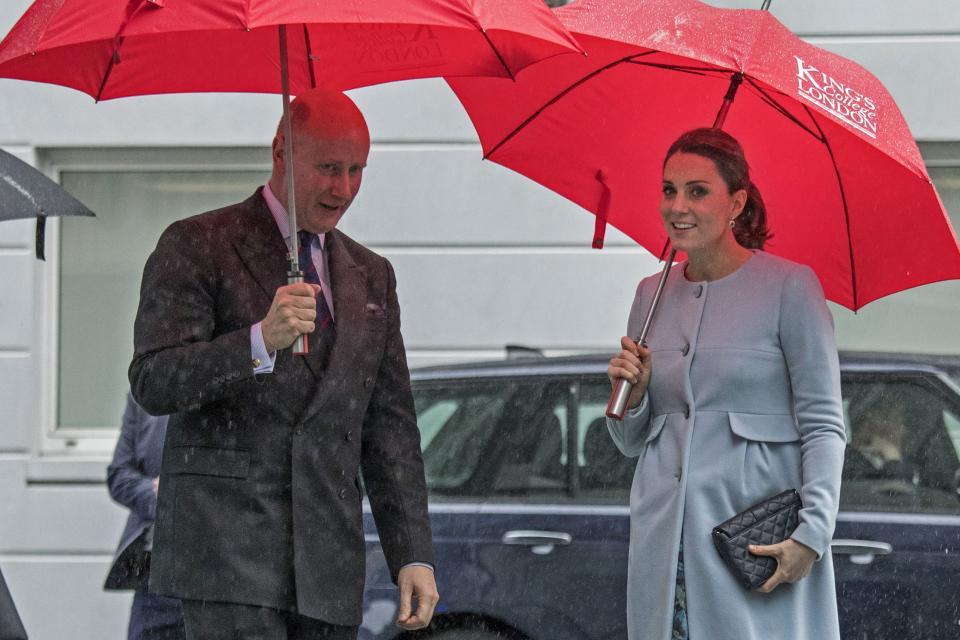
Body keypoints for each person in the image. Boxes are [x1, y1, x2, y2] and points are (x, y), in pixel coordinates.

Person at [129, 89, 437, 640]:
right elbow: (153, 379)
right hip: (227, 556)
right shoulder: (198, 243)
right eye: (327, 168)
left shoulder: (373, 275)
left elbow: (389, 425)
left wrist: (412, 553)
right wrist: (257, 341)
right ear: (280, 153)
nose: (343, 188)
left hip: (328, 562)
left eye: (356, 170)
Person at [606, 128, 846, 640]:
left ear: (736, 201)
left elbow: (825, 425)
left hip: (755, 549)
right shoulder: (650, 294)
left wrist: (813, 534)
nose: (678, 206)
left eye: (697, 190)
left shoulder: (790, 287)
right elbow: (631, 443)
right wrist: (636, 395)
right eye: (669, 190)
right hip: (663, 544)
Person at [105, 393, 185, 640]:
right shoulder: (145, 398)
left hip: (216, 573)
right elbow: (118, 475)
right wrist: (157, 493)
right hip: (153, 574)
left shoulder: (230, 391)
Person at [844, 389, 916, 483]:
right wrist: (893, 460)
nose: (903, 430)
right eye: (895, 420)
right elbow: (898, 494)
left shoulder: (914, 467)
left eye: (899, 420)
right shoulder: (846, 463)